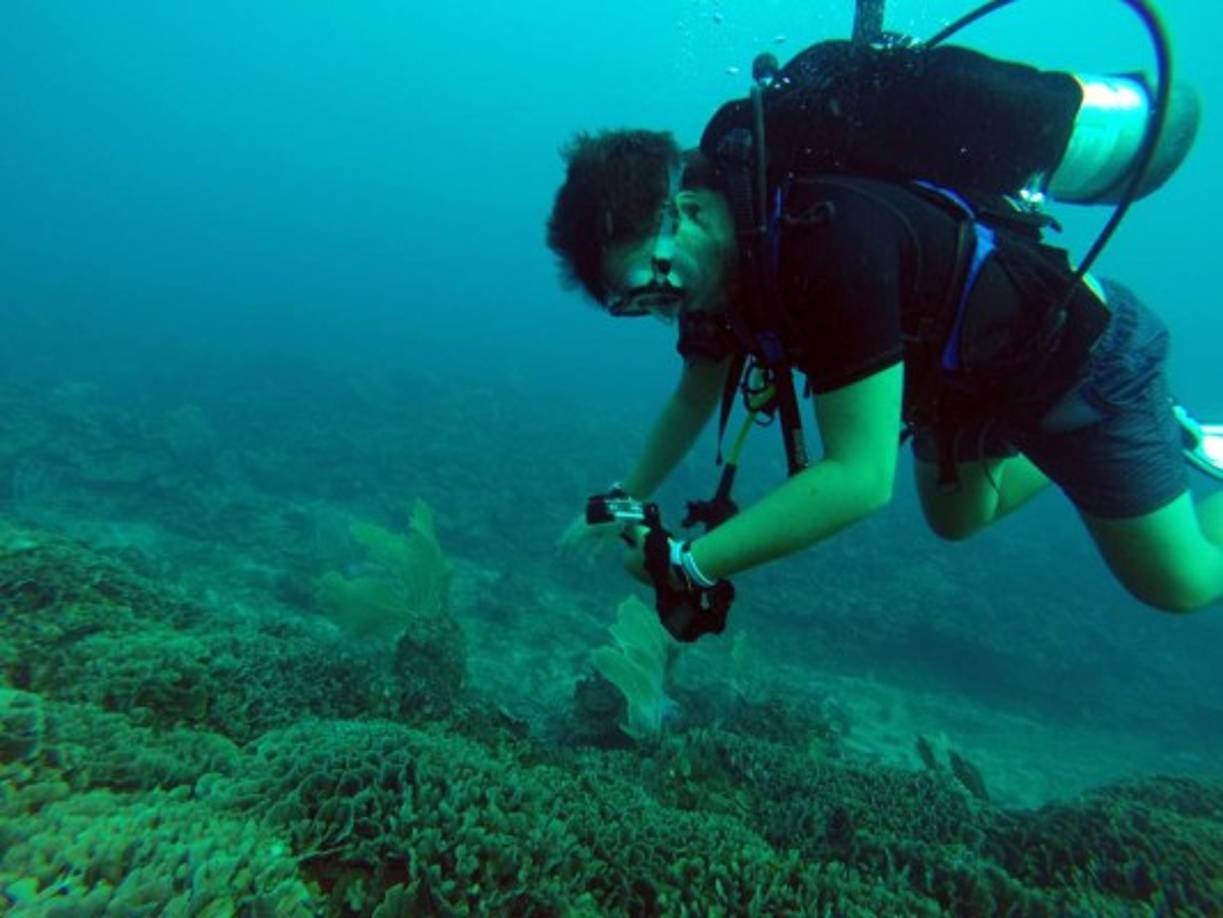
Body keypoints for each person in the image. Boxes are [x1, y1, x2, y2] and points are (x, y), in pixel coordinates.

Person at [546, 41, 1223, 637]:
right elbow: (695, 394)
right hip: (962, 383)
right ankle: (1159, 436)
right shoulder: (717, 264)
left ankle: (1132, 428)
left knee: (1179, 583)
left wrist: (688, 566)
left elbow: (859, 479)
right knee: (957, 517)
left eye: (650, 276)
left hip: (1080, 362)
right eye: (634, 300)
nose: (661, 301)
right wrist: (623, 497)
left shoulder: (827, 239)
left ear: (685, 209)